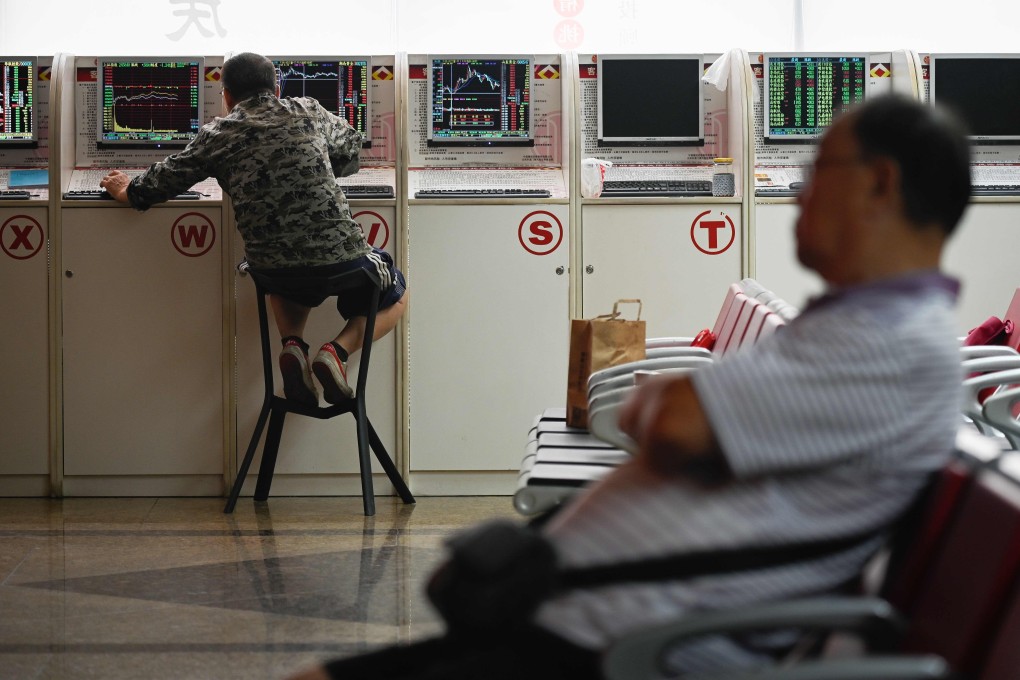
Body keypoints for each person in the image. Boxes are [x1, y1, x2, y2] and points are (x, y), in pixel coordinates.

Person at [287, 94, 971, 680]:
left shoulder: (893, 344)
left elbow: (675, 423)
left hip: (627, 642)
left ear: (881, 184)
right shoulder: (861, 326)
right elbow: (688, 422)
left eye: (820, 170)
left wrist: (671, 407)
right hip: (583, 615)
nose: (799, 191)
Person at [101, 52, 407, 406]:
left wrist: (126, 190)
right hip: (343, 263)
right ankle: (336, 352)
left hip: (272, 271)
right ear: (276, 88)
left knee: (282, 269)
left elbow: (163, 181)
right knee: (398, 292)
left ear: (226, 95)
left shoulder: (217, 133)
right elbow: (352, 151)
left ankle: (293, 345)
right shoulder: (308, 109)